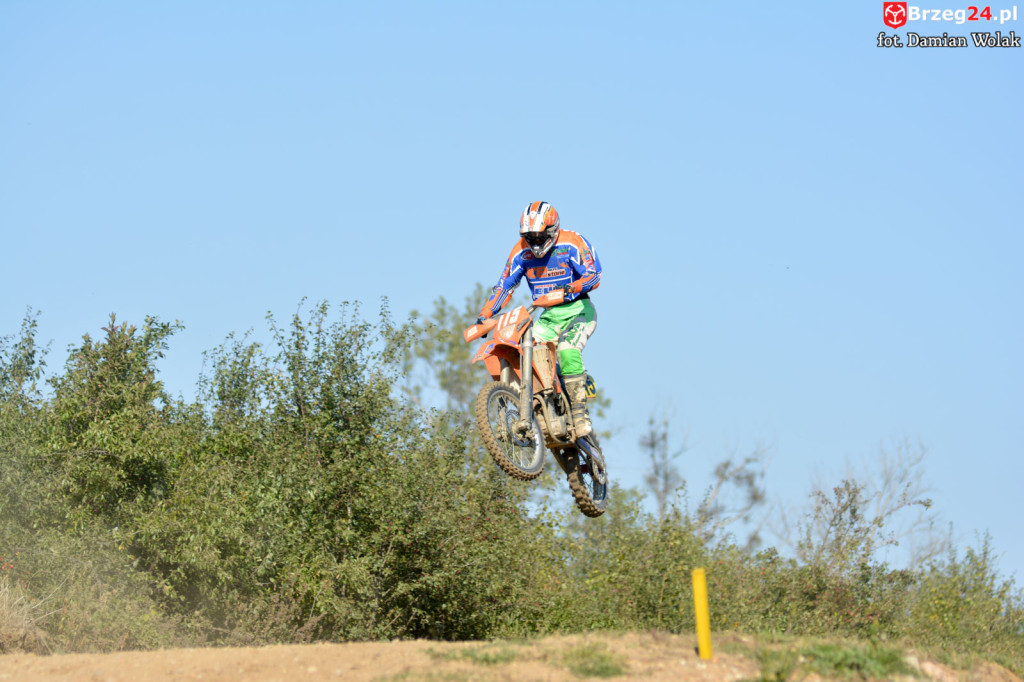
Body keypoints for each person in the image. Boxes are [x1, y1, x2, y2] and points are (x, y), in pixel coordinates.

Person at [477, 201, 602, 438]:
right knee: (521, 349)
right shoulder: (520, 252)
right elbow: (504, 286)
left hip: (578, 310)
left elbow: (594, 274)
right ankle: (535, 408)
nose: (535, 242)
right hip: (548, 317)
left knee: (567, 349)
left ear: (552, 230)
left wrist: (572, 287)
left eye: (539, 236)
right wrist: (485, 315)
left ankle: (579, 412)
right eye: (529, 237)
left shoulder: (572, 242)